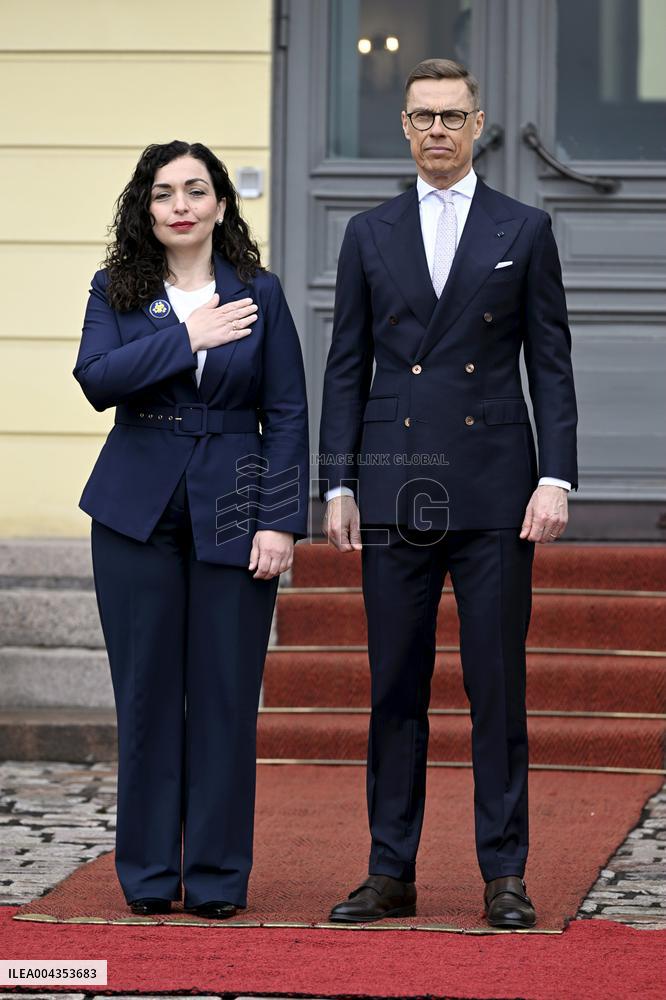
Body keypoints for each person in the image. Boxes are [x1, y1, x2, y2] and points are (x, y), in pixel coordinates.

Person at [318, 59, 577, 929]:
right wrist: (338, 482)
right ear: (404, 127)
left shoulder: (524, 227)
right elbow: (346, 366)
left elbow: (551, 361)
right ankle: (389, 870)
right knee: (395, 685)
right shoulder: (368, 233)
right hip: (396, 485)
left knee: (496, 688)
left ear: (477, 125)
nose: (437, 129)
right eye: (423, 116)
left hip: (496, 486)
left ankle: (505, 873)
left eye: (452, 116)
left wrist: (554, 476)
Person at [74, 140, 309, 919]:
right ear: (145, 207)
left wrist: (280, 522)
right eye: (164, 192)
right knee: (145, 697)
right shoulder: (116, 288)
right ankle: (147, 876)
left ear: (220, 205)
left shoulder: (260, 292)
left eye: (196, 190)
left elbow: (287, 412)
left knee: (224, 698)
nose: (181, 205)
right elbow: (96, 380)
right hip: (133, 514)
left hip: (235, 508)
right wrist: (188, 337)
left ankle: (214, 879)